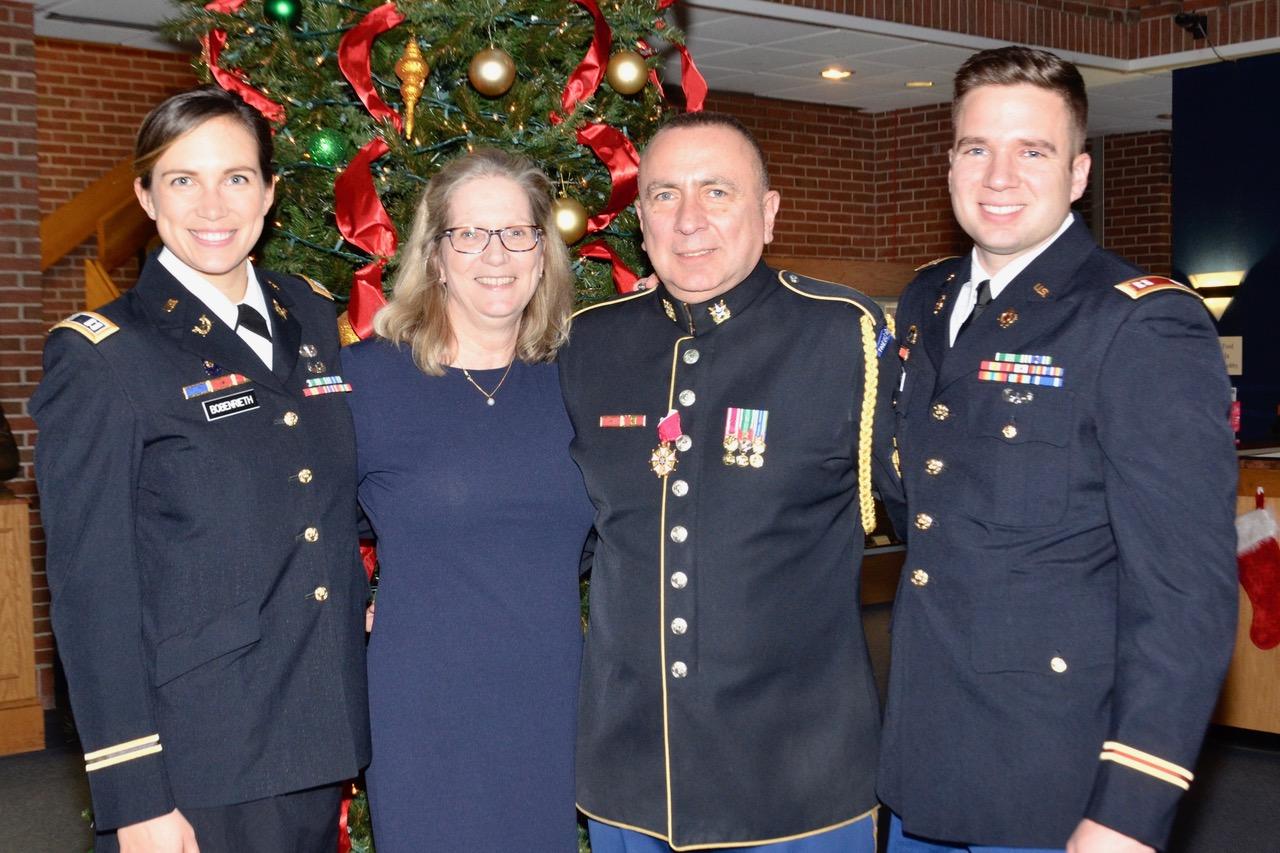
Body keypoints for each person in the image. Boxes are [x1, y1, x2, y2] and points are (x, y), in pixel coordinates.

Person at [878, 45, 1238, 853]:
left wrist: (1129, 809)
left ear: (1077, 174)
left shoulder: (1138, 323)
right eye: (978, 148)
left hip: (1060, 780)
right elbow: (921, 506)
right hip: (924, 760)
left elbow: (1185, 592)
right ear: (950, 165)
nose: (998, 175)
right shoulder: (927, 300)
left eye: (1031, 150)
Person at [32, 86, 370, 852]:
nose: (212, 204)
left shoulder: (310, 314)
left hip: (317, 725)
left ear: (271, 192)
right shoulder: (103, 356)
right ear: (146, 197)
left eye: (237, 177)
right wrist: (135, 795)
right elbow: (93, 594)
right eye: (182, 179)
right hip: (202, 755)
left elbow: (322, 488)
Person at [558, 111, 904, 852]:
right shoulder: (590, 343)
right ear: (639, 216)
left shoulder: (841, 337)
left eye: (717, 193)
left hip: (796, 781)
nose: (689, 221)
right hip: (633, 778)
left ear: (769, 212)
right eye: (663, 195)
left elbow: (942, 534)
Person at [340, 148, 593, 852]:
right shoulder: (367, 380)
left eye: (517, 233)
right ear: (437, 255)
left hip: (550, 695)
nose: (496, 253)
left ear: (543, 254)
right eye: (470, 234)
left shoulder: (580, 379)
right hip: (424, 704)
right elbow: (312, 522)